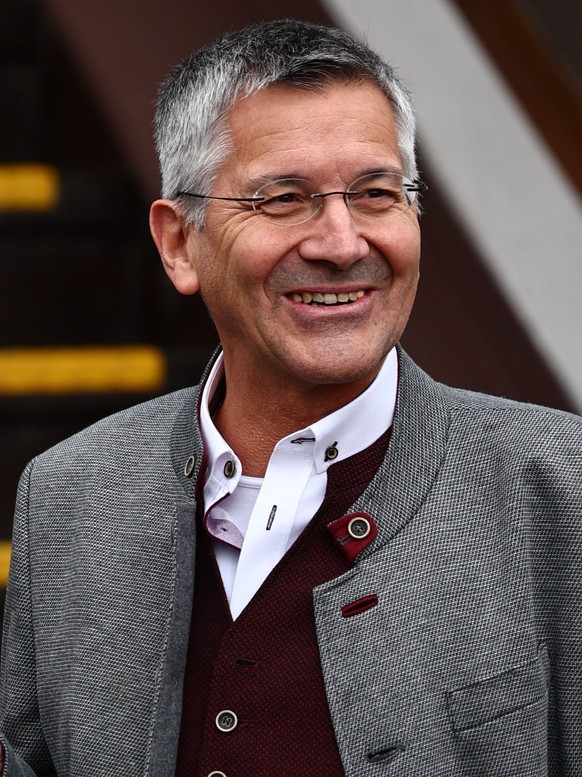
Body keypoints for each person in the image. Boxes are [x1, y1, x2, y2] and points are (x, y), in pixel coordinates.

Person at [0, 18, 580, 777]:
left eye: (376, 192)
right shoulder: (70, 495)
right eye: (283, 198)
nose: (342, 243)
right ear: (180, 243)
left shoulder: (559, 487)